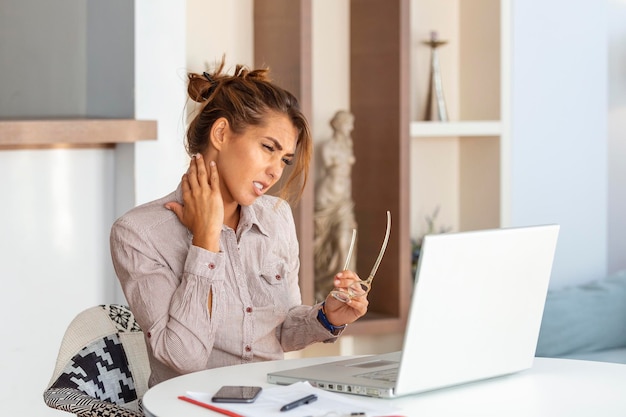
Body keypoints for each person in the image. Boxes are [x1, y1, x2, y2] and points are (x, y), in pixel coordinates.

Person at [109, 59, 369, 387]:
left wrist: (327, 317)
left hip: (268, 403)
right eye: (267, 148)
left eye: (284, 159)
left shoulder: (276, 218)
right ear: (221, 133)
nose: (276, 171)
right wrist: (205, 240)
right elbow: (182, 357)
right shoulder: (138, 233)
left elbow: (280, 332)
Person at [313, 110, 358, 301]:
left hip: (344, 201)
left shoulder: (348, 144)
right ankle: (326, 285)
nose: (352, 128)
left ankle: (347, 289)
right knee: (325, 243)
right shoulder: (328, 147)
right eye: (349, 124)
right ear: (339, 125)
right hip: (327, 197)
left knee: (344, 241)